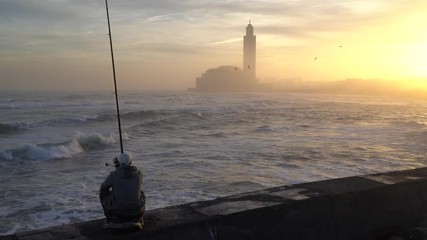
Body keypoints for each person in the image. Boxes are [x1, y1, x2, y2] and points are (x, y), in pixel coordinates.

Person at [99, 152, 145, 224]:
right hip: (137, 213)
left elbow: (103, 188)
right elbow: (130, 184)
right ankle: (138, 217)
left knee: (103, 193)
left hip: (119, 214)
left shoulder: (113, 175)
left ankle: (108, 217)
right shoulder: (139, 174)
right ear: (131, 162)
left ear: (119, 162)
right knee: (141, 192)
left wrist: (118, 170)